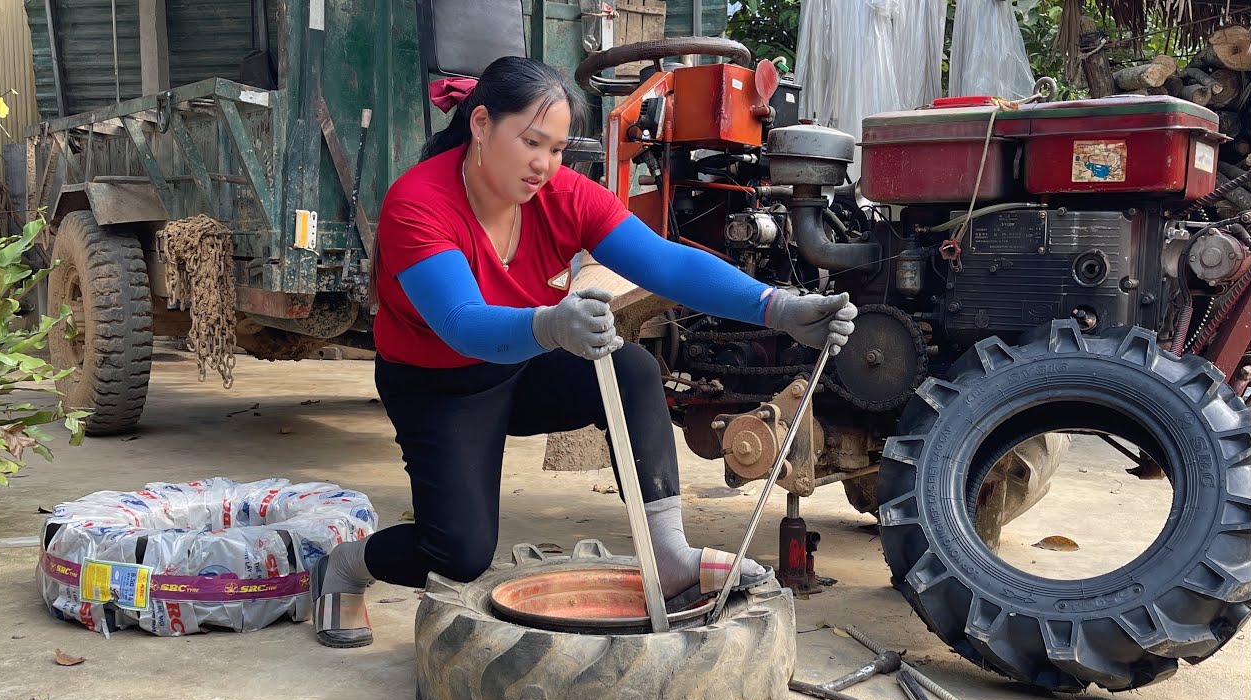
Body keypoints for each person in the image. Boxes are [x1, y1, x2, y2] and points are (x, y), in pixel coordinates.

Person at [310, 56, 857, 648]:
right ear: (481, 125)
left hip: (520, 363)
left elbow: (664, 262)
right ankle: (342, 568)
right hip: (440, 384)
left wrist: (777, 307)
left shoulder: (562, 193)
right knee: (457, 553)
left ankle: (670, 556)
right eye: (532, 143)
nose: (546, 165)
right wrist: (549, 325)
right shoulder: (418, 203)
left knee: (631, 369)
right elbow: (461, 325)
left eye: (559, 148)